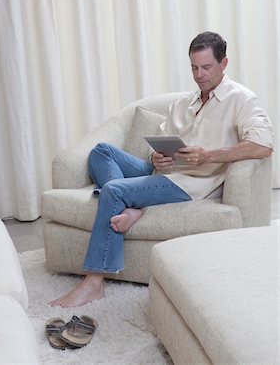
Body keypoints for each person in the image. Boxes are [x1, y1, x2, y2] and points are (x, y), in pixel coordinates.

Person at [49, 31, 273, 308]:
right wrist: (157, 158)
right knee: (101, 151)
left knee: (114, 189)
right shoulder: (183, 104)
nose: (199, 75)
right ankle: (130, 205)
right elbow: (161, 145)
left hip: (189, 182)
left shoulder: (241, 99)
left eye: (206, 67)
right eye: (194, 67)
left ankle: (94, 282)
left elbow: (263, 146)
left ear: (224, 63)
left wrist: (209, 156)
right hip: (164, 172)